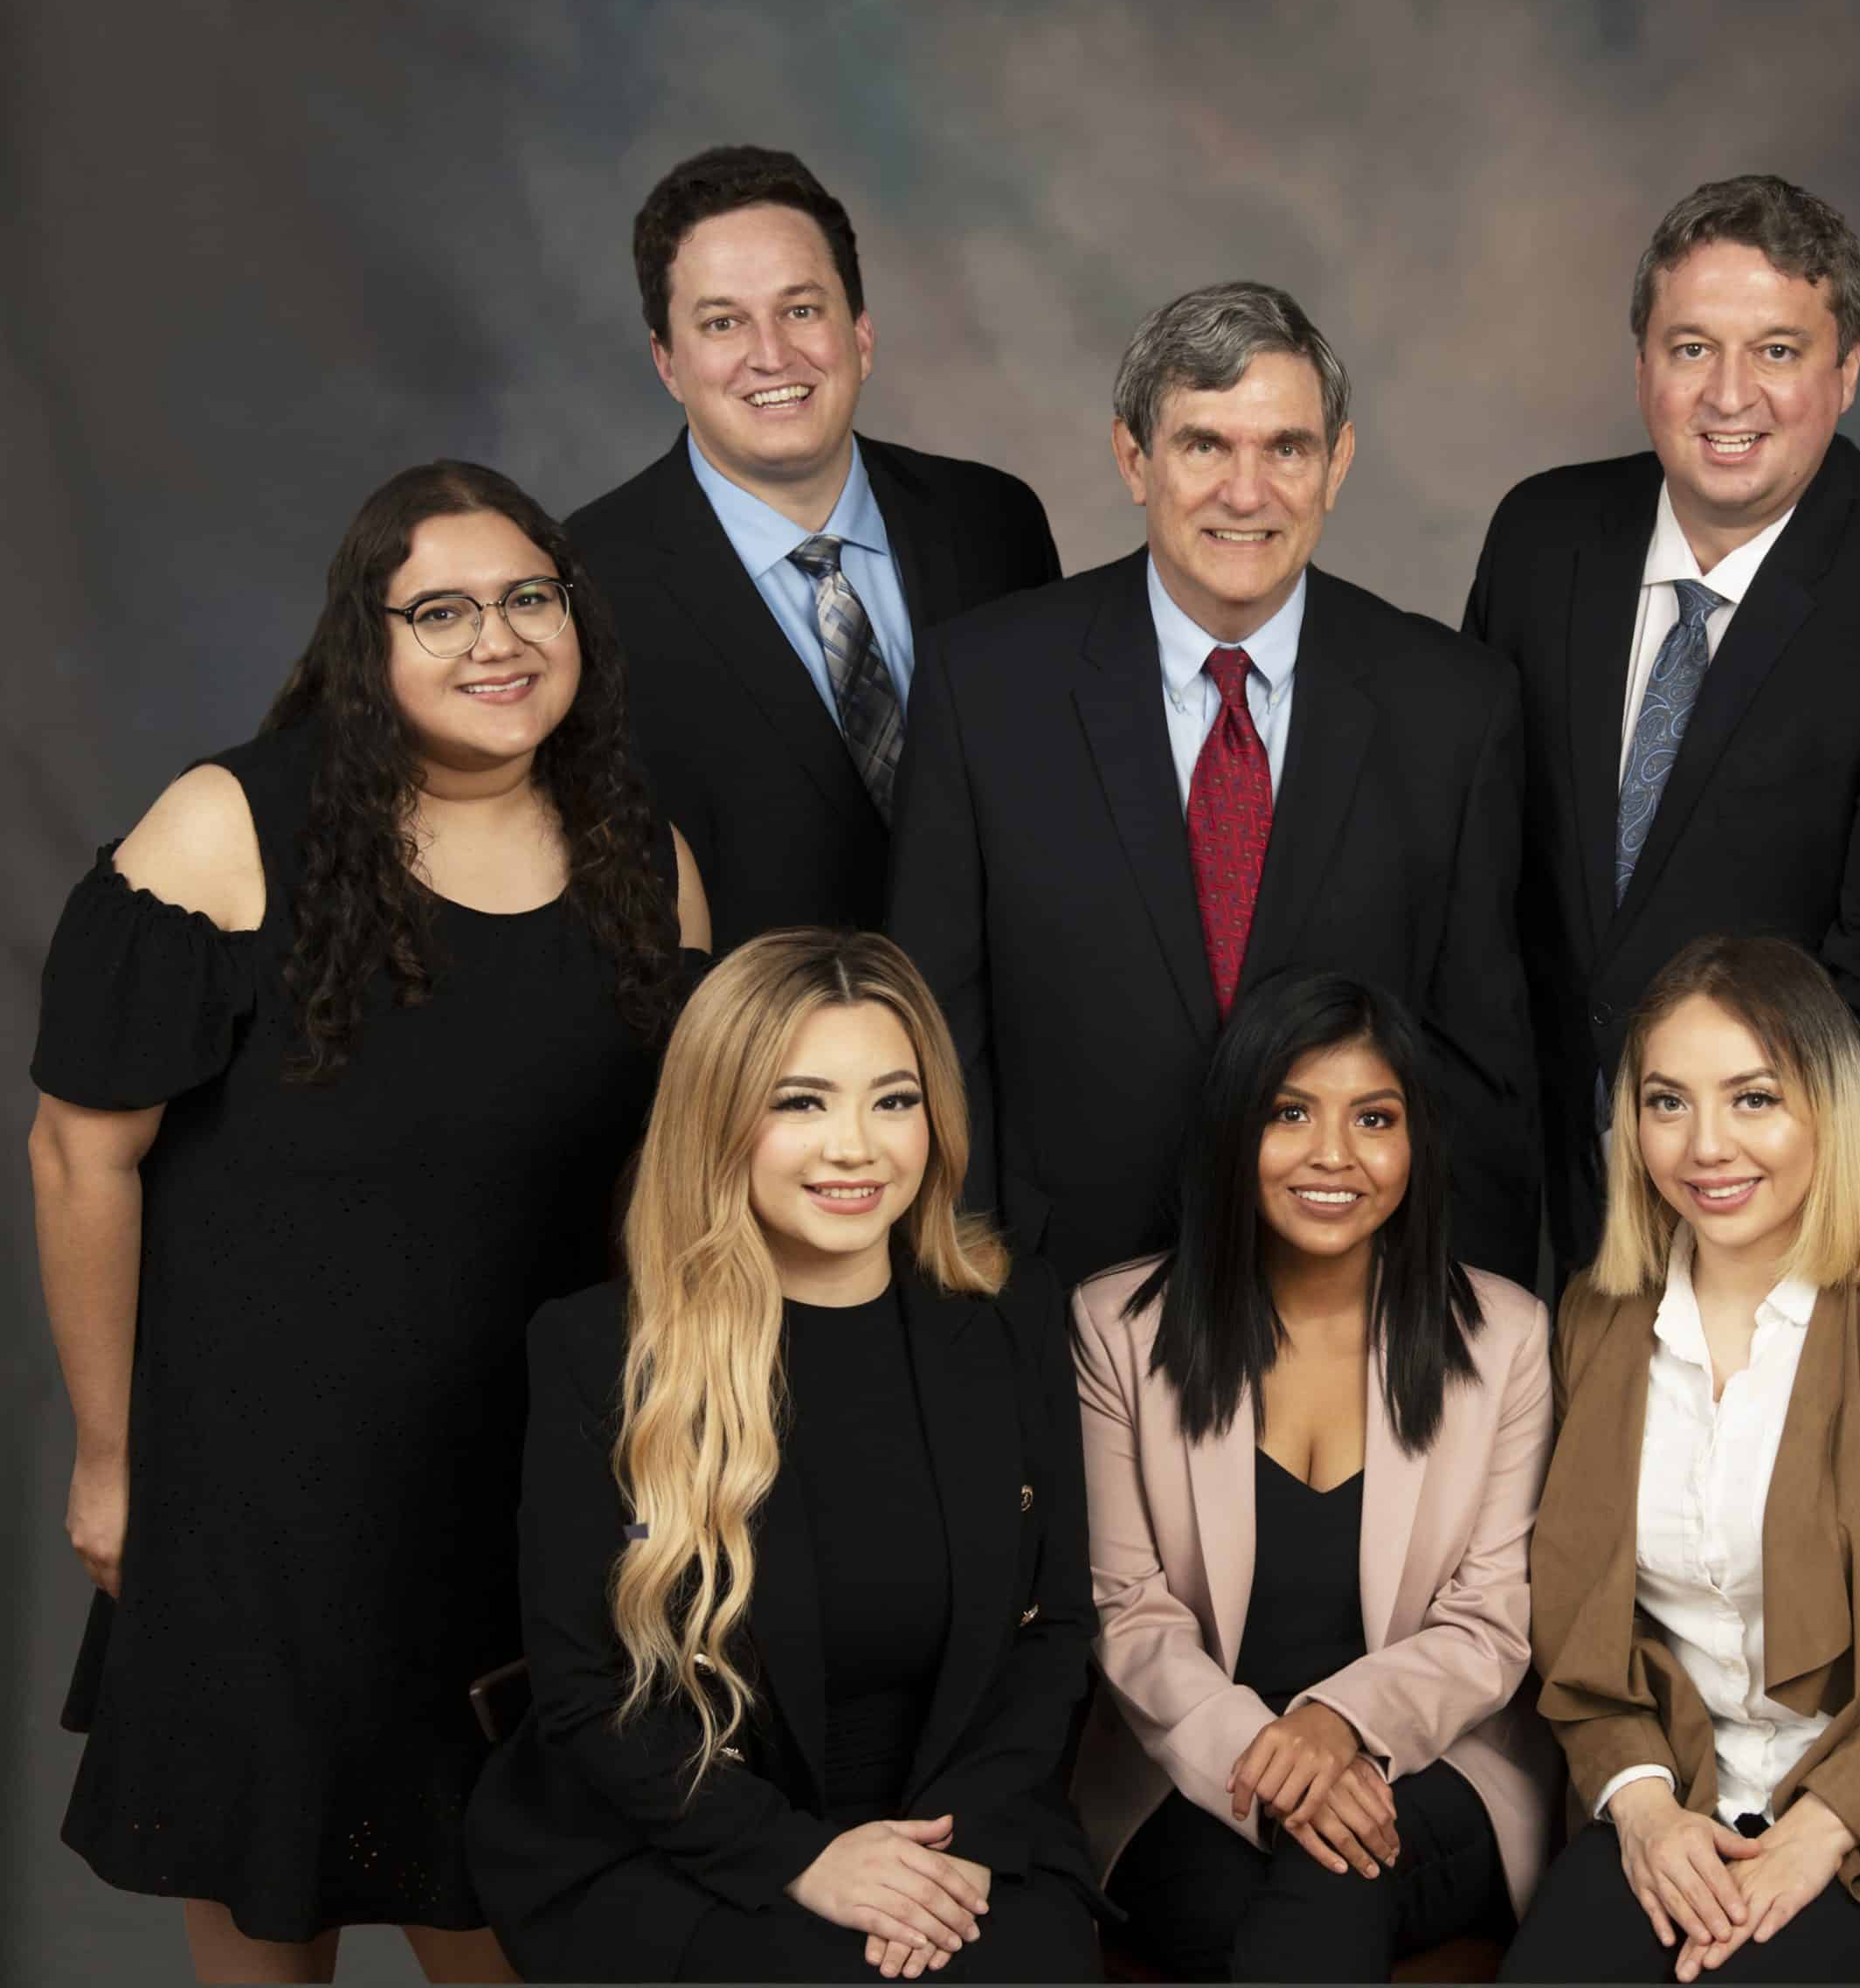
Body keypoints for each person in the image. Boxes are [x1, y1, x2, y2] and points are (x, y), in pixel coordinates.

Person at [27, 461, 709, 1983]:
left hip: (515, 1500)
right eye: (443, 609)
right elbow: (80, 1152)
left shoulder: (643, 860)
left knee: (509, 1918)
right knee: (276, 1925)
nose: (499, 638)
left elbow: (668, 1200)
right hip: (256, 1502)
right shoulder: (228, 826)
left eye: (531, 597)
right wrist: (107, 1453)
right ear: (367, 638)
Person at [464, 931, 1103, 1984]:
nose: (855, 1147)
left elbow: (1057, 1628)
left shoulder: (1008, 1315)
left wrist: (945, 1856)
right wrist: (801, 1860)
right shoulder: (602, 1350)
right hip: (686, 1843)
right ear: (720, 1122)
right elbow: (586, 1690)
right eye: (801, 1102)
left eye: (893, 1101)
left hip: (961, 1830)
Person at [891, 281, 1536, 1288]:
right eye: (1204, 446)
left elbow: (1480, 1068)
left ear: (1338, 464)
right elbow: (936, 1035)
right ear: (1133, 458)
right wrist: (967, 1296)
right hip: (1052, 1296)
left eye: (1287, 447)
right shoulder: (986, 687)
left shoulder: (1453, 705)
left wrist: (1470, 1328)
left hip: (1352, 1312)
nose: (1248, 492)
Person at [1502, 937, 1860, 1985]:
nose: (1705, 1146)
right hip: (1683, 1792)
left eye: (1753, 1098)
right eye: (1667, 1102)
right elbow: (1580, 1620)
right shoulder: (1599, 1318)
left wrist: (1825, 1827)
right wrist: (1641, 1811)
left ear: (1828, 1104)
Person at [1462, 174, 1860, 1289]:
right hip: (1528, 1193)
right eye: (1691, 347)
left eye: (1779, 352)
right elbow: (1478, 873)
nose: (1728, 395)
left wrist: (1744, 1216)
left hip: (1768, 1209)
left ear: (1846, 372)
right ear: (1642, 362)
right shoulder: (1540, 536)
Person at [1069, 972, 1558, 1981]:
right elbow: (1129, 1610)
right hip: (1199, 1766)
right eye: (1291, 1113)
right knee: (1282, 1889)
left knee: (1333, 1876)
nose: (1333, 1155)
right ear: (1233, 1131)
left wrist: (1341, 1725)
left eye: (1373, 1118)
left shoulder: (1504, 1335)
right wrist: (1272, 1754)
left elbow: (1490, 1620)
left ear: (1415, 1142)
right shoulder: (1119, 1329)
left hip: (1435, 1763)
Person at [572, 144, 1061, 947]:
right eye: (723, 321)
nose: (772, 354)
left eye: (802, 309)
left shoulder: (995, 523)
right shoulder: (583, 584)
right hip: (752, 1063)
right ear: (667, 361)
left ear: (861, 335)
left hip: (1001, 1057)